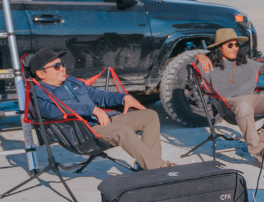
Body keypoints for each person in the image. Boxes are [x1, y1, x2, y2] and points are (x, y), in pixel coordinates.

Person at [29, 47, 171, 170]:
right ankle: (158, 168)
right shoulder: (39, 92)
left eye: (62, 64)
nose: (62, 68)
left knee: (149, 116)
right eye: (56, 66)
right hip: (84, 133)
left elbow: (96, 94)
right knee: (121, 130)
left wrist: (123, 98)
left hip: (102, 121)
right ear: (41, 73)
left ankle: (149, 167)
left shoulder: (70, 81)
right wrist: (90, 109)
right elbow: (52, 110)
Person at [193, 29, 264, 169]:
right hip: (229, 104)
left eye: (236, 44)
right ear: (219, 47)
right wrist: (199, 55)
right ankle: (257, 152)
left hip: (253, 100)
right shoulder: (208, 64)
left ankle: (263, 138)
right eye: (230, 45)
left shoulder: (245, 62)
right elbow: (189, 66)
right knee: (244, 104)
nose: (235, 48)